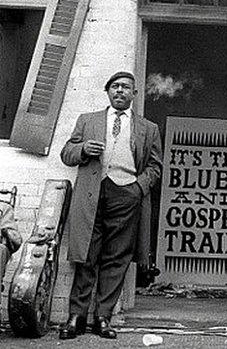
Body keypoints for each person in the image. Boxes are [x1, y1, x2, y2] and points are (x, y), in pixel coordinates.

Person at [59, 71, 162, 340]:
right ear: (108, 91)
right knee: (86, 256)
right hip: (92, 192)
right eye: (115, 87)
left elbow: (155, 167)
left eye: (126, 88)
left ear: (134, 94)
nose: (120, 91)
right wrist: (82, 149)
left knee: (117, 258)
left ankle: (103, 318)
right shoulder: (88, 120)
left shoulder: (148, 128)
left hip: (126, 195)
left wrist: (138, 188)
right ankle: (76, 317)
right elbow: (66, 155)